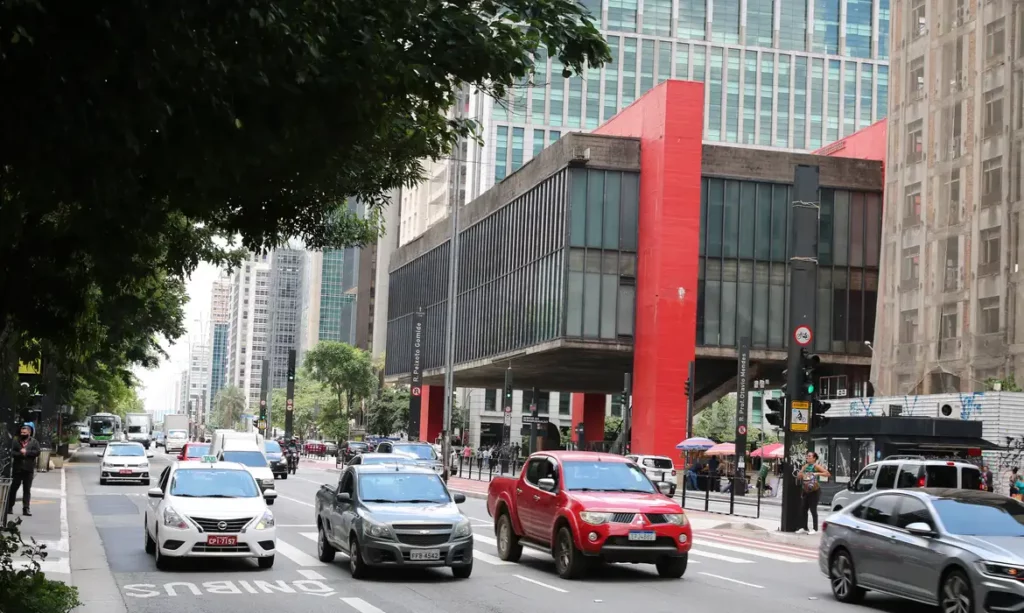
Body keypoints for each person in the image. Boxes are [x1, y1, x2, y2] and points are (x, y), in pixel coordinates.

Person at [7, 424, 42, 517]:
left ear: (29, 433)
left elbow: (37, 452)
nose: (23, 434)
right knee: (13, 488)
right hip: (17, 469)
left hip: (28, 469)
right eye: (22, 432)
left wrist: (27, 452)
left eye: (25, 432)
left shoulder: (34, 442)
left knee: (27, 490)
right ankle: (9, 507)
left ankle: (26, 508)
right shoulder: (16, 441)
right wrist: (20, 454)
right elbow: (12, 452)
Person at [796, 451, 830, 535]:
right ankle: (804, 527)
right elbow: (799, 476)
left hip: (814, 491)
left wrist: (816, 473)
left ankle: (815, 529)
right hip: (806, 490)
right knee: (803, 509)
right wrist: (800, 473)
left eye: (809, 456)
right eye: (807, 456)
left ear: (814, 458)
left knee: (813, 510)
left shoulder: (816, 466)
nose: (807, 457)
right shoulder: (805, 466)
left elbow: (827, 474)